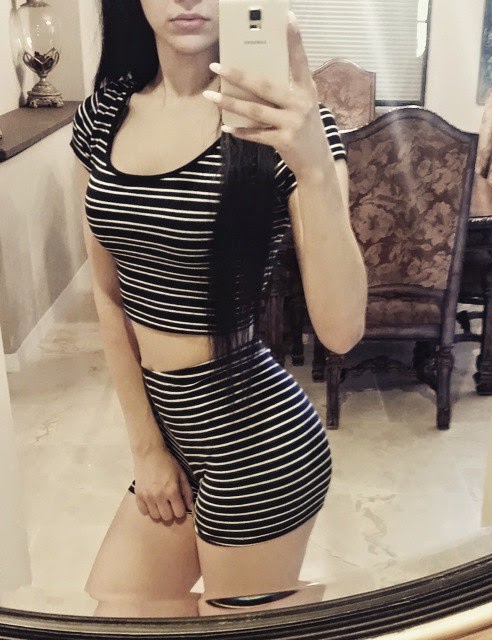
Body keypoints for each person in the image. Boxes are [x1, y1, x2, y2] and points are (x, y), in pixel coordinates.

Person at [69, 0, 367, 618]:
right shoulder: (103, 115)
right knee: (120, 610)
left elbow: (341, 330)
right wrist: (147, 449)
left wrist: (313, 166)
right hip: (174, 436)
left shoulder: (279, 125)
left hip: (258, 445)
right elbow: (107, 293)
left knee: (229, 626)